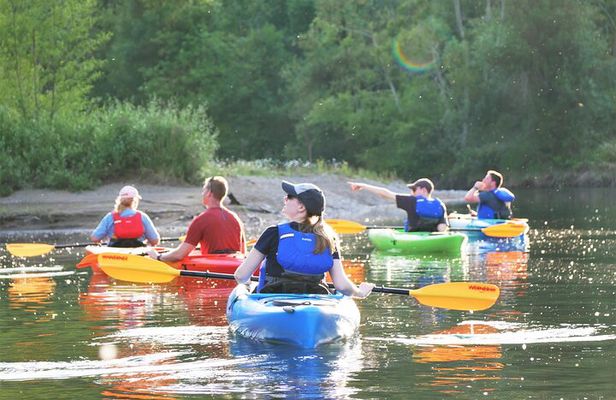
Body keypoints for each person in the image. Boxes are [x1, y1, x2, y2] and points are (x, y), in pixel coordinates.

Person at [234, 181, 374, 297]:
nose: (285, 199)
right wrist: (360, 292)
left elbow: (241, 276)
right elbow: (342, 285)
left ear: (301, 207)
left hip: (273, 300)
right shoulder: (328, 239)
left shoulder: (273, 233)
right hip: (317, 302)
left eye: (289, 196)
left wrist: (246, 287)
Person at [149, 176, 246, 262]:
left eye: (204, 190)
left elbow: (180, 255)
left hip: (212, 269)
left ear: (209, 193)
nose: (202, 193)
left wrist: (158, 257)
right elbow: (243, 253)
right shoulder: (235, 218)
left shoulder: (202, 219)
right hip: (234, 266)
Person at [348, 178, 448, 232]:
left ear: (424, 190)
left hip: (412, 238)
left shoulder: (411, 201)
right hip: (433, 239)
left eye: (414, 189)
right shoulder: (440, 204)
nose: (412, 193)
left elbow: (385, 193)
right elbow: (442, 228)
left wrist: (363, 185)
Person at [91, 185, 160, 247]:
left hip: (114, 255)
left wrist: (100, 241)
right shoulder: (142, 217)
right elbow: (155, 241)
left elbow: (95, 238)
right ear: (135, 200)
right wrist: (148, 243)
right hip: (139, 255)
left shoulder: (110, 217)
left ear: (119, 200)